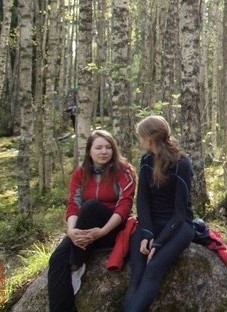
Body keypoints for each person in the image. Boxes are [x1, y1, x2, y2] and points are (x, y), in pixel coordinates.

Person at [48, 130, 136, 312]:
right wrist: (71, 231)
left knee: (91, 206)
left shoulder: (124, 170)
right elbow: (74, 205)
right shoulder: (80, 174)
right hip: (85, 232)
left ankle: (76, 261)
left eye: (108, 147)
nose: (104, 152)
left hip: (112, 229)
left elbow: (124, 206)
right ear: (89, 151)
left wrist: (102, 231)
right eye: (98, 148)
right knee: (56, 259)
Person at [123, 116, 194, 312]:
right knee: (137, 275)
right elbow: (143, 201)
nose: (140, 141)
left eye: (140, 138)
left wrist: (158, 243)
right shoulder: (146, 160)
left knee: (153, 270)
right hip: (151, 222)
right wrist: (147, 233)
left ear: (149, 140)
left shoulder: (182, 164)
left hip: (178, 225)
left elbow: (180, 213)